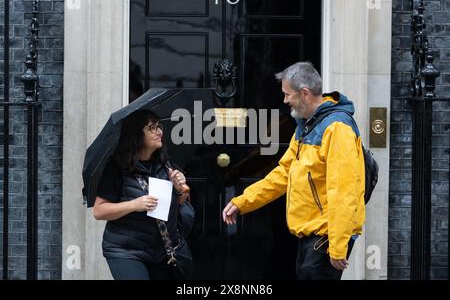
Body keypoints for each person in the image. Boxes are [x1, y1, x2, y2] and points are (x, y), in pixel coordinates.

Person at [222, 61, 366, 280]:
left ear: (305, 93)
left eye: (288, 94)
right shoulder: (306, 126)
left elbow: (344, 191)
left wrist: (337, 245)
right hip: (309, 233)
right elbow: (283, 174)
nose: (285, 100)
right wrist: (243, 201)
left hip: (326, 236)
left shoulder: (337, 129)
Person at [93, 110, 190, 280]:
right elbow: (99, 211)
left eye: (159, 126)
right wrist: (134, 204)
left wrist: (178, 188)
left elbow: (181, 202)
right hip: (127, 250)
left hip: (162, 250)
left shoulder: (165, 164)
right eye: (152, 128)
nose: (159, 131)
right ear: (137, 134)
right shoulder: (117, 168)